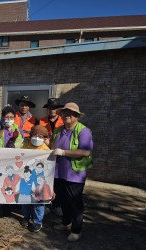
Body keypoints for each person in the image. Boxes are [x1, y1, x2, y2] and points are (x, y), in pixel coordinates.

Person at [52, 102, 93, 242]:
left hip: (74, 174)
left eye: (71, 113)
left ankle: (76, 230)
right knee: (63, 200)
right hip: (59, 172)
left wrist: (63, 152)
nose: (67, 115)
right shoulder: (58, 130)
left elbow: (85, 152)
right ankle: (65, 223)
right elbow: (52, 146)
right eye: (65, 112)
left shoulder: (83, 131)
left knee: (75, 202)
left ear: (77, 116)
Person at [20, 125, 50, 233]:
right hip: (26, 178)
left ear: (44, 138)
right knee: (25, 200)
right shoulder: (25, 145)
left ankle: (37, 222)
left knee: (38, 202)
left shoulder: (46, 150)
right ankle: (26, 217)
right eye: (35, 135)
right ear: (31, 135)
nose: (37, 138)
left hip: (39, 180)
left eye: (40, 136)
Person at [40, 98, 64, 215]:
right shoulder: (41, 121)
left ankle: (57, 204)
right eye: (50, 108)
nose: (52, 110)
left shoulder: (64, 122)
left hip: (59, 154)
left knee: (58, 180)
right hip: (45, 155)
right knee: (45, 179)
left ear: (58, 109)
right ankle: (46, 204)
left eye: (54, 108)